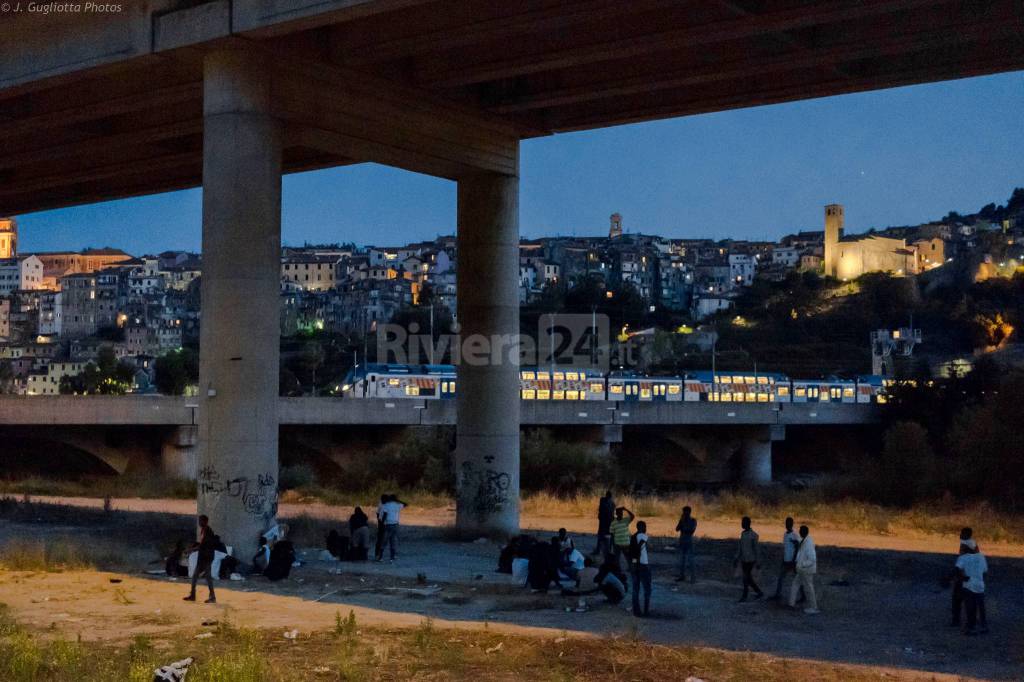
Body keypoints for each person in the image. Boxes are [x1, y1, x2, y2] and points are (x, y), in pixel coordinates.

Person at [955, 535, 988, 635]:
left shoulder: (963, 558)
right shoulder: (981, 557)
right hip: (980, 585)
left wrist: (962, 578)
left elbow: (957, 570)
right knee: (981, 606)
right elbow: (985, 571)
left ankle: (971, 627)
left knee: (970, 607)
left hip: (969, 585)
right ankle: (983, 626)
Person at [184, 514, 217, 604]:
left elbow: (202, 545)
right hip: (203, 557)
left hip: (207, 557)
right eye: (199, 521)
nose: (199, 523)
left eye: (201, 521)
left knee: (207, 576)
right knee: (197, 576)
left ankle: (212, 596)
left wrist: (190, 550)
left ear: (205, 522)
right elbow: (201, 544)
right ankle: (193, 595)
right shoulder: (204, 530)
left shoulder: (207, 531)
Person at [789, 524, 819, 614]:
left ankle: (814, 607)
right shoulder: (805, 540)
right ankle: (791, 603)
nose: (799, 532)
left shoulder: (808, 544)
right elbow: (798, 539)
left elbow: (812, 559)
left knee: (808, 588)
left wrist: (802, 564)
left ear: (804, 532)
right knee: (796, 584)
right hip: (802, 569)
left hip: (806, 570)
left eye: (800, 531)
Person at [771, 517, 802, 601]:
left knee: (796, 578)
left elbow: (797, 547)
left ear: (792, 524)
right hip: (787, 560)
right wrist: (783, 558)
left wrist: (793, 560)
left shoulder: (794, 535)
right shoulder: (786, 534)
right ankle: (778, 594)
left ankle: (803, 596)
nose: (787, 525)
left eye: (789, 523)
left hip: (793, 561)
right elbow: (786, 547)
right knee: (782, 577)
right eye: (786, 523)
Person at [734, 516, 763, 602]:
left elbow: (757, 550)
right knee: (748, 578)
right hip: (744, 559)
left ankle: (745, 595)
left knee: (745, 578)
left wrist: (758, 562)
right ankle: (758, 592)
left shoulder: (753, 535)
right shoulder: (743, 534)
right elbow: (740, 547)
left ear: (747, 524)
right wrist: (736, 557)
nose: (742, 524)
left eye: (743, 522)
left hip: (750, 560)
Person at [630, 520, 652, 617]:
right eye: (645, 527)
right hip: (643, 565)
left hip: (635, 565)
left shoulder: (633, 537)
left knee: (635, 589)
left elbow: (632, 553)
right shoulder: (643, 536)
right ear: (642, 528)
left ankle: (636, 611)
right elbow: (647, 546)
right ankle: (646, 611)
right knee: (647, 589)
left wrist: (634, 564)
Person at [380, 494, 407, 562]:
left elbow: (385, 515)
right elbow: (405, 504)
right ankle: (392, 558)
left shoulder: (386, 505)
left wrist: (382, 524)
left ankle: (380, 557)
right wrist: (398, 500)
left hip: (388, 524)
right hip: (395, 525)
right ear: (395, 499)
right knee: (393, 541)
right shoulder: (398, 505)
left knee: (384, 541)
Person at [675, 506, 697, 582]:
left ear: (689, 512)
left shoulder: (693, 520)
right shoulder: (683, 520)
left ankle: (693, 578)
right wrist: (681, 521)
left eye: (686, 512)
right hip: (682, 541)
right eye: (684, 512)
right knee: (682, 560)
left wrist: (683, 525)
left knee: (690, 560)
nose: (684, 513)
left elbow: (691, 531)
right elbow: (677, 529)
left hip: (688, 541)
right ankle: (682, 576)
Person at [596, 491, 615, 557]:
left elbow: (610, 513)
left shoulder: (609, 503)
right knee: (602, 536)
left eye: (608, 496)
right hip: (605, 521)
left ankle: (604, 551)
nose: (607, 497)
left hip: (607, 522)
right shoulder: (606, 501)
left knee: (606, 537)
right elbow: (601, 510)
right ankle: (599, 550)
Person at [374, 494, 389, 561]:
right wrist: (381, 522)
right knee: (381, 540)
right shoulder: (385, 504)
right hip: (383, 523)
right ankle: (379, 556)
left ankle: (377, 555)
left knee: (380, 539)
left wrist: (379, 521)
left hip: (382, 523)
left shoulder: (382, 503)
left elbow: (377, 513)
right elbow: (383, 515)